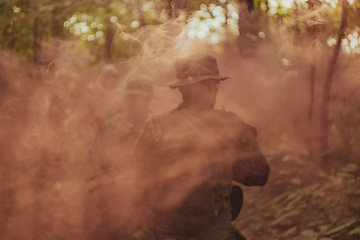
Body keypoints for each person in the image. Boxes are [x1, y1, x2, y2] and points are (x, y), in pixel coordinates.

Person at [131, 54, 270, 240]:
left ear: (181, 87)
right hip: (215, 233)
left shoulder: (155, 126)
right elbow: (260, 175)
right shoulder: (230, 124)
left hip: (164, 233)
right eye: (211, 83)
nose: (214, 89)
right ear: (203, 86)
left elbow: (137, 191)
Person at [89, 75, 154, 240]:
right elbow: (97, 161)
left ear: (148, 98)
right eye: (130, 96)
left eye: (137, 96)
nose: (133, 101)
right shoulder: (111, 126)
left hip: (149, 205)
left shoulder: (158, 125)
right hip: (116, 203)